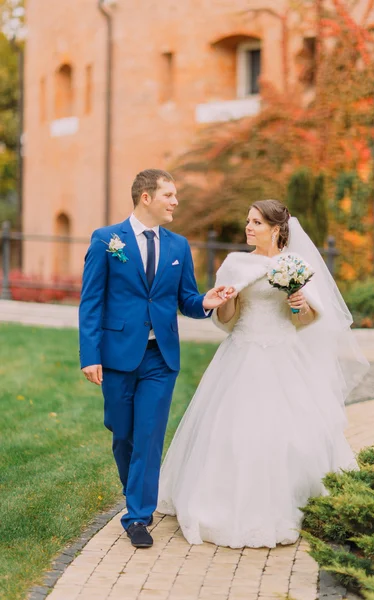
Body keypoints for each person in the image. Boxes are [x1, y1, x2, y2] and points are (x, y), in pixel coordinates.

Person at [157, 198, 369, 549]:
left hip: (285, 355)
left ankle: (295, 504)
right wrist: (229, 298)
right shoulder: (235, 264)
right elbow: (226, 322)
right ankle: (224, 507)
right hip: (242, 354)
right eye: (248, 221)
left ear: (276, 228)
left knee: (293, 436)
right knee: (234, 433)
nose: (248, 227)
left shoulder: (295, 264)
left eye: (256, 222)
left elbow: (307, 321)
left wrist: (300, 305)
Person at [79, 169, 233, 548]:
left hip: (160, 358)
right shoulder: (106, 240)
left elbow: (187, 301)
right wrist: (90, 355)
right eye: (168, 194)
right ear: (145, 197)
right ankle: (135, 488)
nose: (175, 202)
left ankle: (137, 516)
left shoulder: (179, 246)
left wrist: (208, 303)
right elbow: (91, 302)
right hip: (117, 355)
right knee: (122, 433)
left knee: (149, 436)